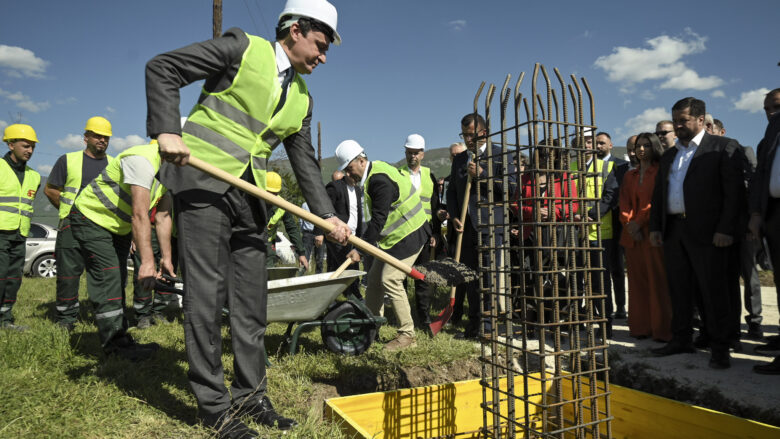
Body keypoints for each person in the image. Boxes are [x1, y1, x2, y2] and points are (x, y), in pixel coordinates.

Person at [145, 0, 350, 435]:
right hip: (202, 183)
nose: (324, 56)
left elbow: (305, 163)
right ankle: (214, 407)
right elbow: (163, 67)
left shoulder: (302, 98)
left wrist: (328, 216)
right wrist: (166, 129)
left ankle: (252, 396)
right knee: (204, 297)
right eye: (320, 43)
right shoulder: (241, 48)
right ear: (295, 30)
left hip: (250, 197)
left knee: (251, 303)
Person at [649, 97, 744, 370]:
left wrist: (725, 229)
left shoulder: (723, 148)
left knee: (713, 292)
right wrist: (657, 226)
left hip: (709, 233)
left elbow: (733, 195)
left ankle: (720, 347)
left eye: (684, 120)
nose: (678, 125)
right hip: (674, 230)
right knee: (679, 289)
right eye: (676, 120)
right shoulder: (670, 155)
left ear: (701, 120)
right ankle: (681, 339)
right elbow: (660, 194)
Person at [70, 141, 173, 361]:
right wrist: (147, 262)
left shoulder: (170, 172)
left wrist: (166, 258)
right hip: (92, 218)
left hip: (119, 227)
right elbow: (139, 213)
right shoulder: (142, 159)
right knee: (108, 278)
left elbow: (163, 217)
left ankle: (119, 338)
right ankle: (115, 348)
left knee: (118, 279)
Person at [337, 140, 430, 351]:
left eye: (350, 169)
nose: (348, 176)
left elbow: (378, 220)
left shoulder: (379, 180)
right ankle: (370, 328)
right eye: (345, 171)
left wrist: (359, 249)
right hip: (393, 239)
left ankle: (407, 335)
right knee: (374, 281)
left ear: (361, 160)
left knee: (390, 279)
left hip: (410, 234)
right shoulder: (371, 175)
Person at [446, 114, 515, 339]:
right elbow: (453, 192)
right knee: (471, 277)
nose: (467, 139)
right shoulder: (460, 159)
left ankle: (488, 326)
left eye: (470, 135)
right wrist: (455, 215)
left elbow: (511, 188)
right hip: (465, 228)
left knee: (488, 276)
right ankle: (474, 323)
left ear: (483, 133)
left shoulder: (501, 155)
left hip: (490, 225)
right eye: (464, 135)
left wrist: (484, 175)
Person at [44, 116, 112, 332]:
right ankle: (66, 320)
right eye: (97, 135)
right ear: (86, 137)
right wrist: (69, 211)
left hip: (101, 228)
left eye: (106, 137)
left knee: (102, 274)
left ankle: (103, 315)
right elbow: (51, 189)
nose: (102, 140)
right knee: (68, 275)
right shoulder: (68, 160)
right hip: (70, 226)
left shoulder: (113, 165)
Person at [619, 133, 671, 341]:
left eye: (646, 145)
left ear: (654, 147)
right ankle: (640, 327)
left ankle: (661, 330)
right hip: (632, 235)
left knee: (657, 281)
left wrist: (637, 223)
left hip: (652, 233)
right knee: (637, 282)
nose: (641, 149)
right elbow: (623, 202)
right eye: (638, 146)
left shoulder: (660, 172)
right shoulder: (629, 175)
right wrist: (629, 223)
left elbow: (654, 202)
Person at [571, 128, 619, 338]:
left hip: (599, 232)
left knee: (600, 280)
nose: (587, 145)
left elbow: (610, 196)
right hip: (575, 232)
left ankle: (604, 324)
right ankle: (579, 321)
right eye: (582, 142)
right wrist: (574, 215)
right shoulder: (570, 168)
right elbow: (565, 196)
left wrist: (590, 215)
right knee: (577, 280)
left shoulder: (608, 166)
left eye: (590, 142)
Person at [747, 87, 780, 373]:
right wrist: (756, 214)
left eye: (777, 106)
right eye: (768, 108)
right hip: (774, 215)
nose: (772, 113)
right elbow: (760, 178)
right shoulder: (769, 138)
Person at [0, 124, 41, 331]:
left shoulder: (34, 176)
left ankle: (6, 320)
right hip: (0, 233)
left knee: (13, 278)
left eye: (32, 147)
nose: (30, 151)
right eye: (25, 146)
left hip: (20, 234)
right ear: (10, 144)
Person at [399, 134, 440, 333]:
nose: (412, 156)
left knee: (422, 277)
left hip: (424, 234)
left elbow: (434, 206)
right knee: (401, 278)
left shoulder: (430, 177)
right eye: (409, 152)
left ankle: (424, 318)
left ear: (422, 154)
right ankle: (404, 318)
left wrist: (435, 234)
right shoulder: (397, 175)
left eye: (415, 153)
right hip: (403, 235)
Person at [595, 131, 629, 320]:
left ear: (610, 145)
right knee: (601, 268)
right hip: (597, 220)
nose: (598, 146)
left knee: (617, 266)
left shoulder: (621, 165)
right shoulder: (589, 165)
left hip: (617, 220)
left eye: (602, 143)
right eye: (596, 143)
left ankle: (621, 306)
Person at [318, 169, 363, 298]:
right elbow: (323, 210)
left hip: (354, 236)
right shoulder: (335, 187)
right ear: (348, 173)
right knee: (346, 268)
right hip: (338, 235)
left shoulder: (358, 190)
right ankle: (356, 298)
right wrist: (319, 232)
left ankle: (332, 297)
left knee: (349, 266)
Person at [265, 171, 308, 270]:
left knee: (269, 276)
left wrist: (301, 253)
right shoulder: (250, 200)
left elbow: (292, 229)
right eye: (268, 192)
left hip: (268, 247)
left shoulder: (282, 205)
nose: (272, 196)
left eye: (275, 193)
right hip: (249, 245)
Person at [299, 201, 324, 274]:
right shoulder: (304, 205)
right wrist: (303, 232)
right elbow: (301, 219)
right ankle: (301, 278)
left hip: (319, 234)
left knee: (320, 259)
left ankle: (319, 278)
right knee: (304, 257)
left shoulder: (321, 204)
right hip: (308, 233)